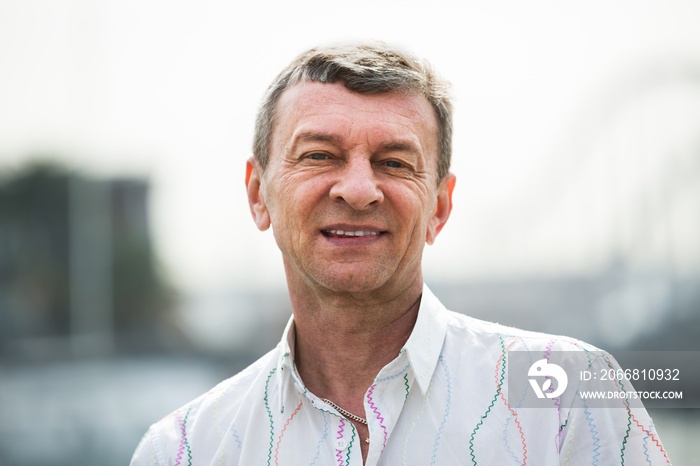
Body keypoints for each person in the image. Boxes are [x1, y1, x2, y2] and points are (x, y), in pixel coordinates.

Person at [131, 43, 670, 465]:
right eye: (320, 155)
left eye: (394, 162)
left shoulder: (570, 394)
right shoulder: (182, 451)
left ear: (439, 206)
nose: (360, 190)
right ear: (258, 194)